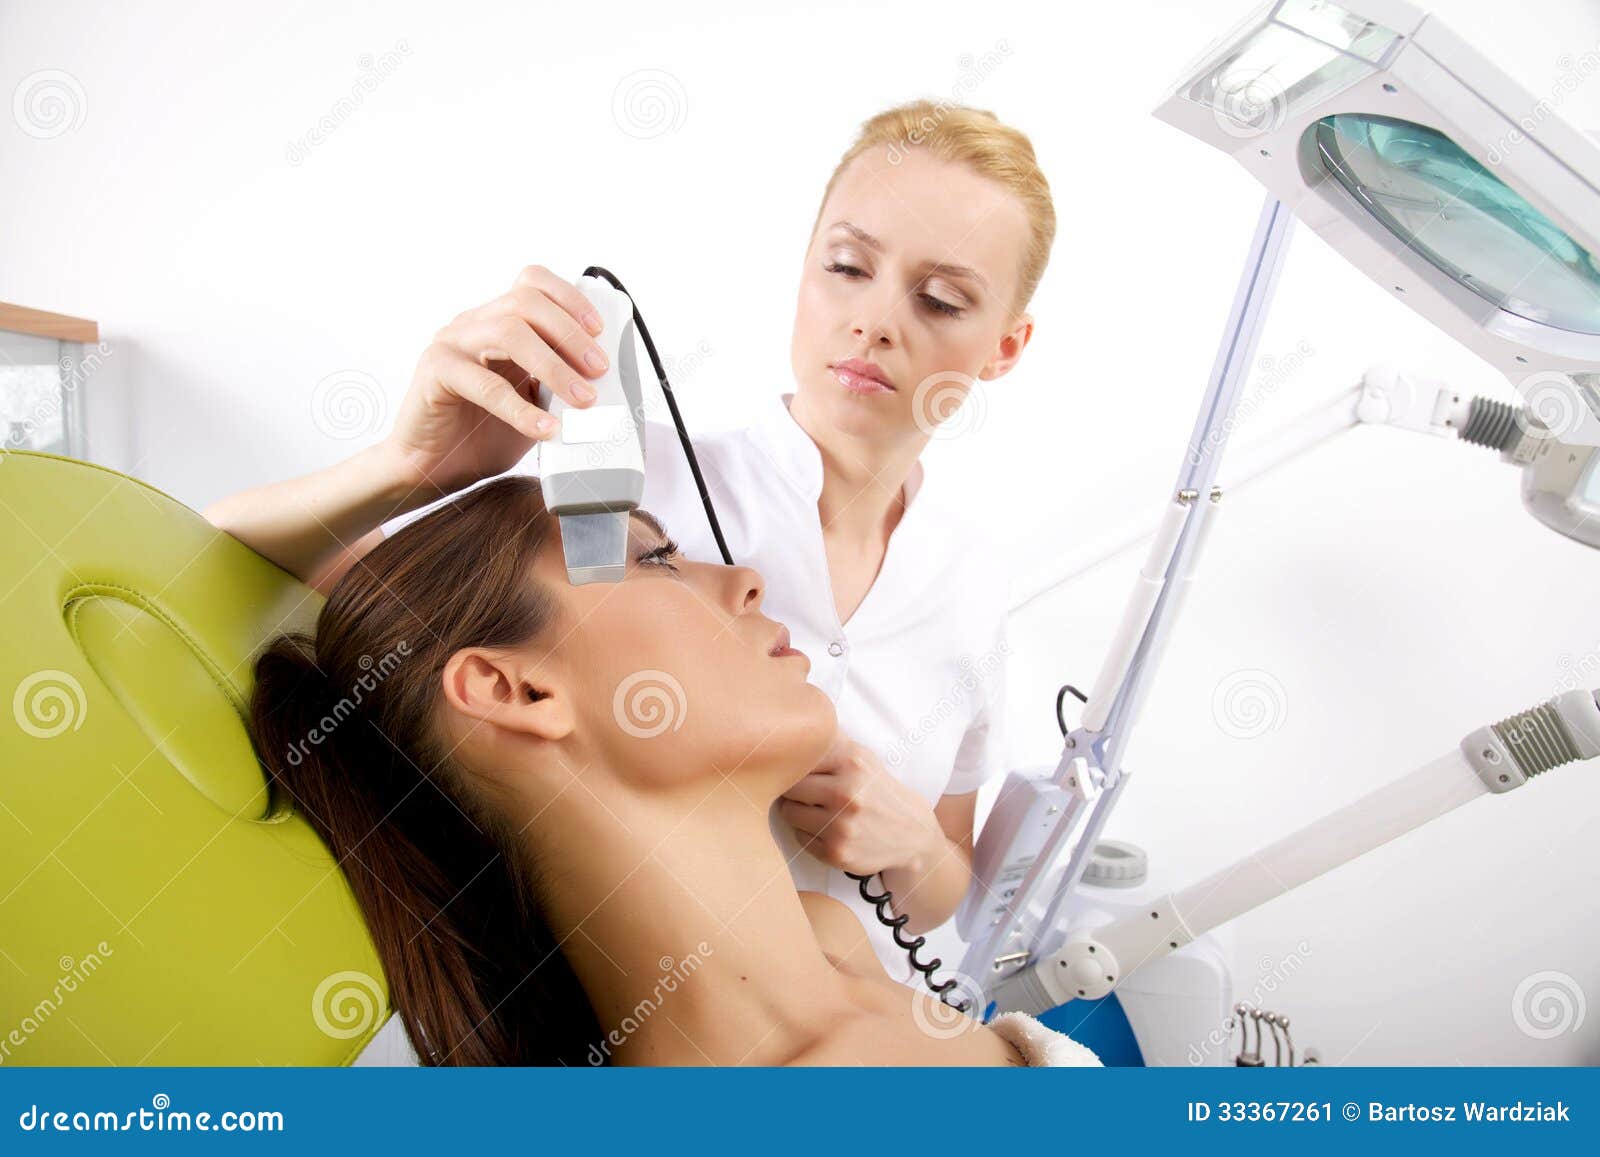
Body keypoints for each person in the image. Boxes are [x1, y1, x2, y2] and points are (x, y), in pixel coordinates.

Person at [206, 98, 1054, 980]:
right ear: (803, 269)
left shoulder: (973, 580)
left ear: (1005, 346)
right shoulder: (615, 487)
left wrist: (913, 849)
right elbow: (231, 557)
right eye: (847, 266)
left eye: (941, 298)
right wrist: (408, 467)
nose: (876, 320)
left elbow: (949, 879)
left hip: (875, 1026)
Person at [247, 474, 1099, 1066]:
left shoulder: (835, 944)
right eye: (654, 559)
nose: (749, 582)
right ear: (515, 688)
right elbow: (191, 556)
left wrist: (415, 468)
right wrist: (410, 465)